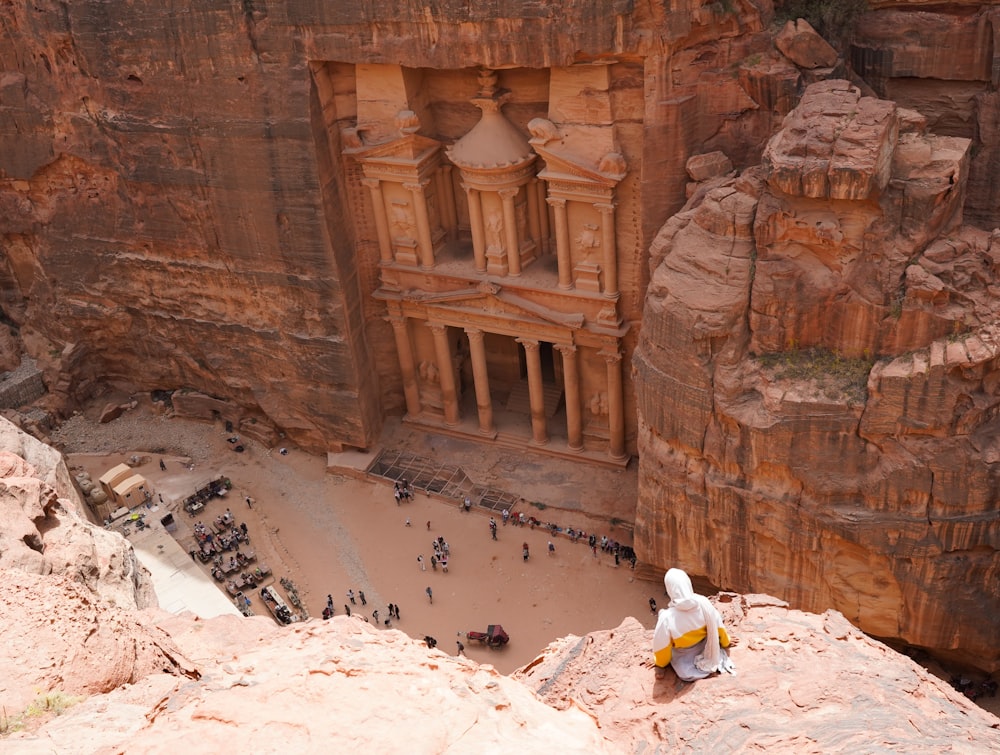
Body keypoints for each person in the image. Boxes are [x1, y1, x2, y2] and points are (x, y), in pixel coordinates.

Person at [652, 568, 735, 681]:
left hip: (685, 663)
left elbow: (662, 646)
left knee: (662, 614)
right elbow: (718, 626)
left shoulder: (667, 618)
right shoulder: (703, 603)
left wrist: (660, 664)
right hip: (707, 649)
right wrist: (726, 642)